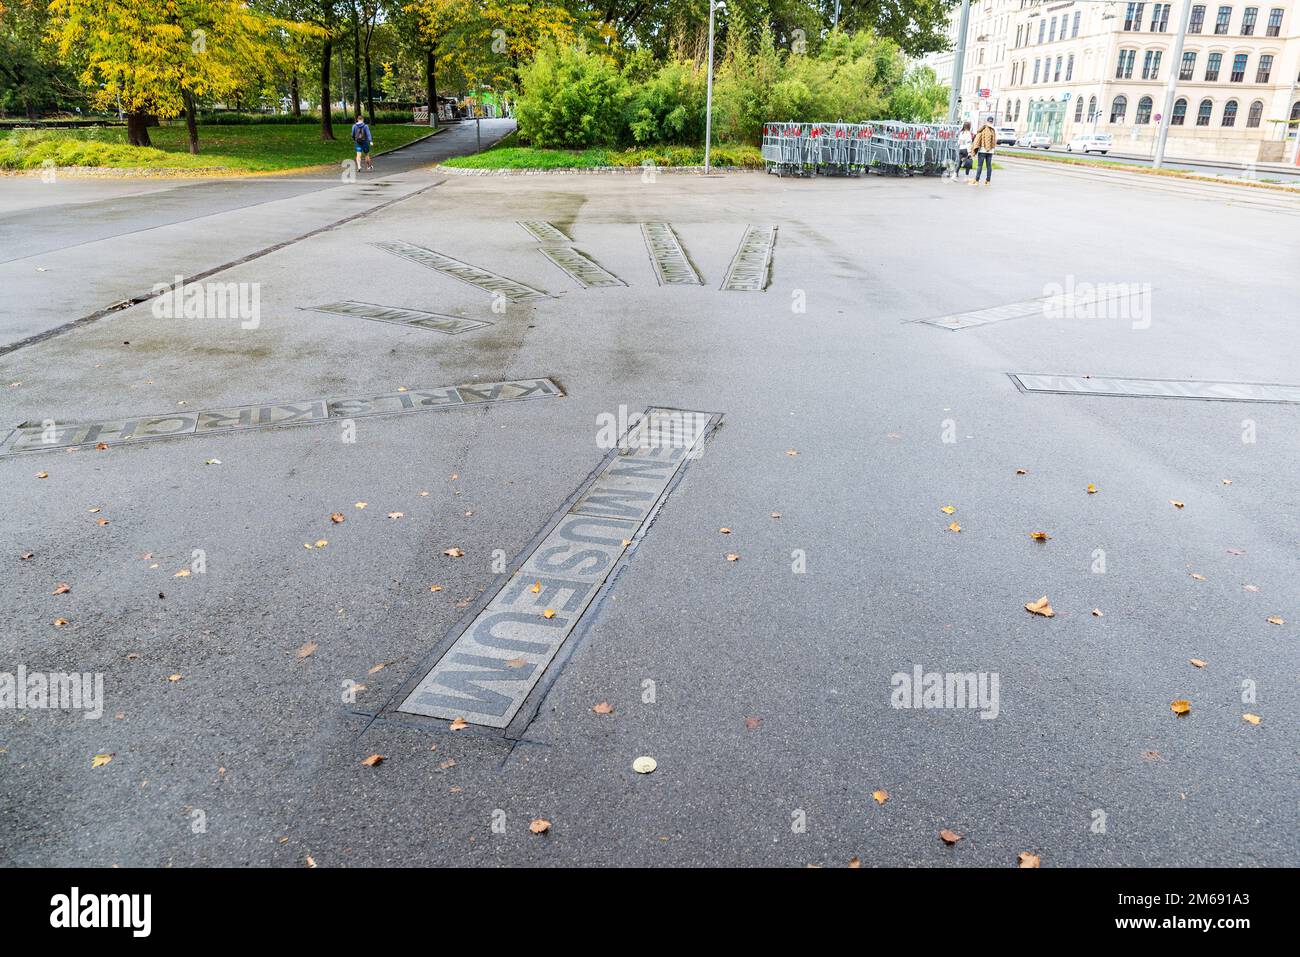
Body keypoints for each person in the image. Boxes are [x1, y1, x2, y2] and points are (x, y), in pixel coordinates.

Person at [969, 115, 996, 186]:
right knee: (989, 166)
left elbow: (978, 137)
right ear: (992, 121)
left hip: (983, 150)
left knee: (979, 166)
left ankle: (977, 181)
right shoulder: (994, 129)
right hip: (990, 151)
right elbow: (996, 141)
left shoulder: (983, 128)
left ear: (987, 121)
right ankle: (988, 181)